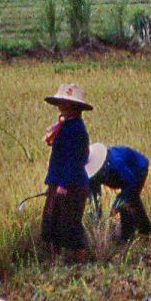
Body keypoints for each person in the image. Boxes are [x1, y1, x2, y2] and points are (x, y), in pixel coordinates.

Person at [41, 83, 91, 262]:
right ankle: (55, 262)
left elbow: (75, 159)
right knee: (51, 222)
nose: (61, 105)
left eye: (65, 102)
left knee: (70, 224)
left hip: (72, 184)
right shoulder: (64, 125)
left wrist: (63, 185)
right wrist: (52, 183)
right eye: (61, 102)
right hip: (58, 181)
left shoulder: (76, 128)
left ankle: (81, 262)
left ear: (74, 107)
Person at [87, 143, 151, 242]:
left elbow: (131, 183)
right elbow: (94, 197)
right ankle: (145, 231)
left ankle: (130, 237)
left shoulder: (116, 163)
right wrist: (96, 220)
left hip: (137, 171)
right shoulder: (92, 175)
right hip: (124, 178)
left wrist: (116, 206)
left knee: (128, 201)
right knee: (131, 201)